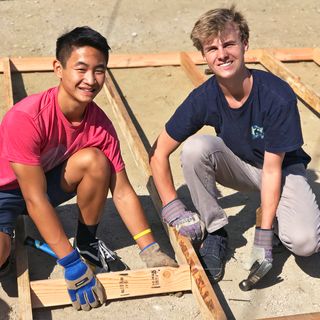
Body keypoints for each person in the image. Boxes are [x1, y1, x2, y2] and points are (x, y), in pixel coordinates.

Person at [0, 26, 177, 311]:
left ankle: (86, 242)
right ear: (58, 68)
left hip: (45, 182)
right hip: (5, 192)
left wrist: (149, 248)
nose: (91, 80)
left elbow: (121, 192)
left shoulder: (100, 125)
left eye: (99, 70)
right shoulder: (26, 118)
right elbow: (35, 199)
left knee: (96, 161)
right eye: (81, 69)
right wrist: (70, 265)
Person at [149, 6, 320, 285]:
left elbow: (272, 170)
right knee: (195, 149)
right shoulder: (204, 97)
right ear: (203, 55)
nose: (222, 54)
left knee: (305, 243)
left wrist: (263, 236)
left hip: (281, 169)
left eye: (229, 43)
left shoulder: (276, 97)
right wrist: (173, 208)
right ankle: (216, 233)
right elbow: (158, 152)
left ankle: (277, 226)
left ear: (244, 44)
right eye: (212, 48)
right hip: (240, 164)